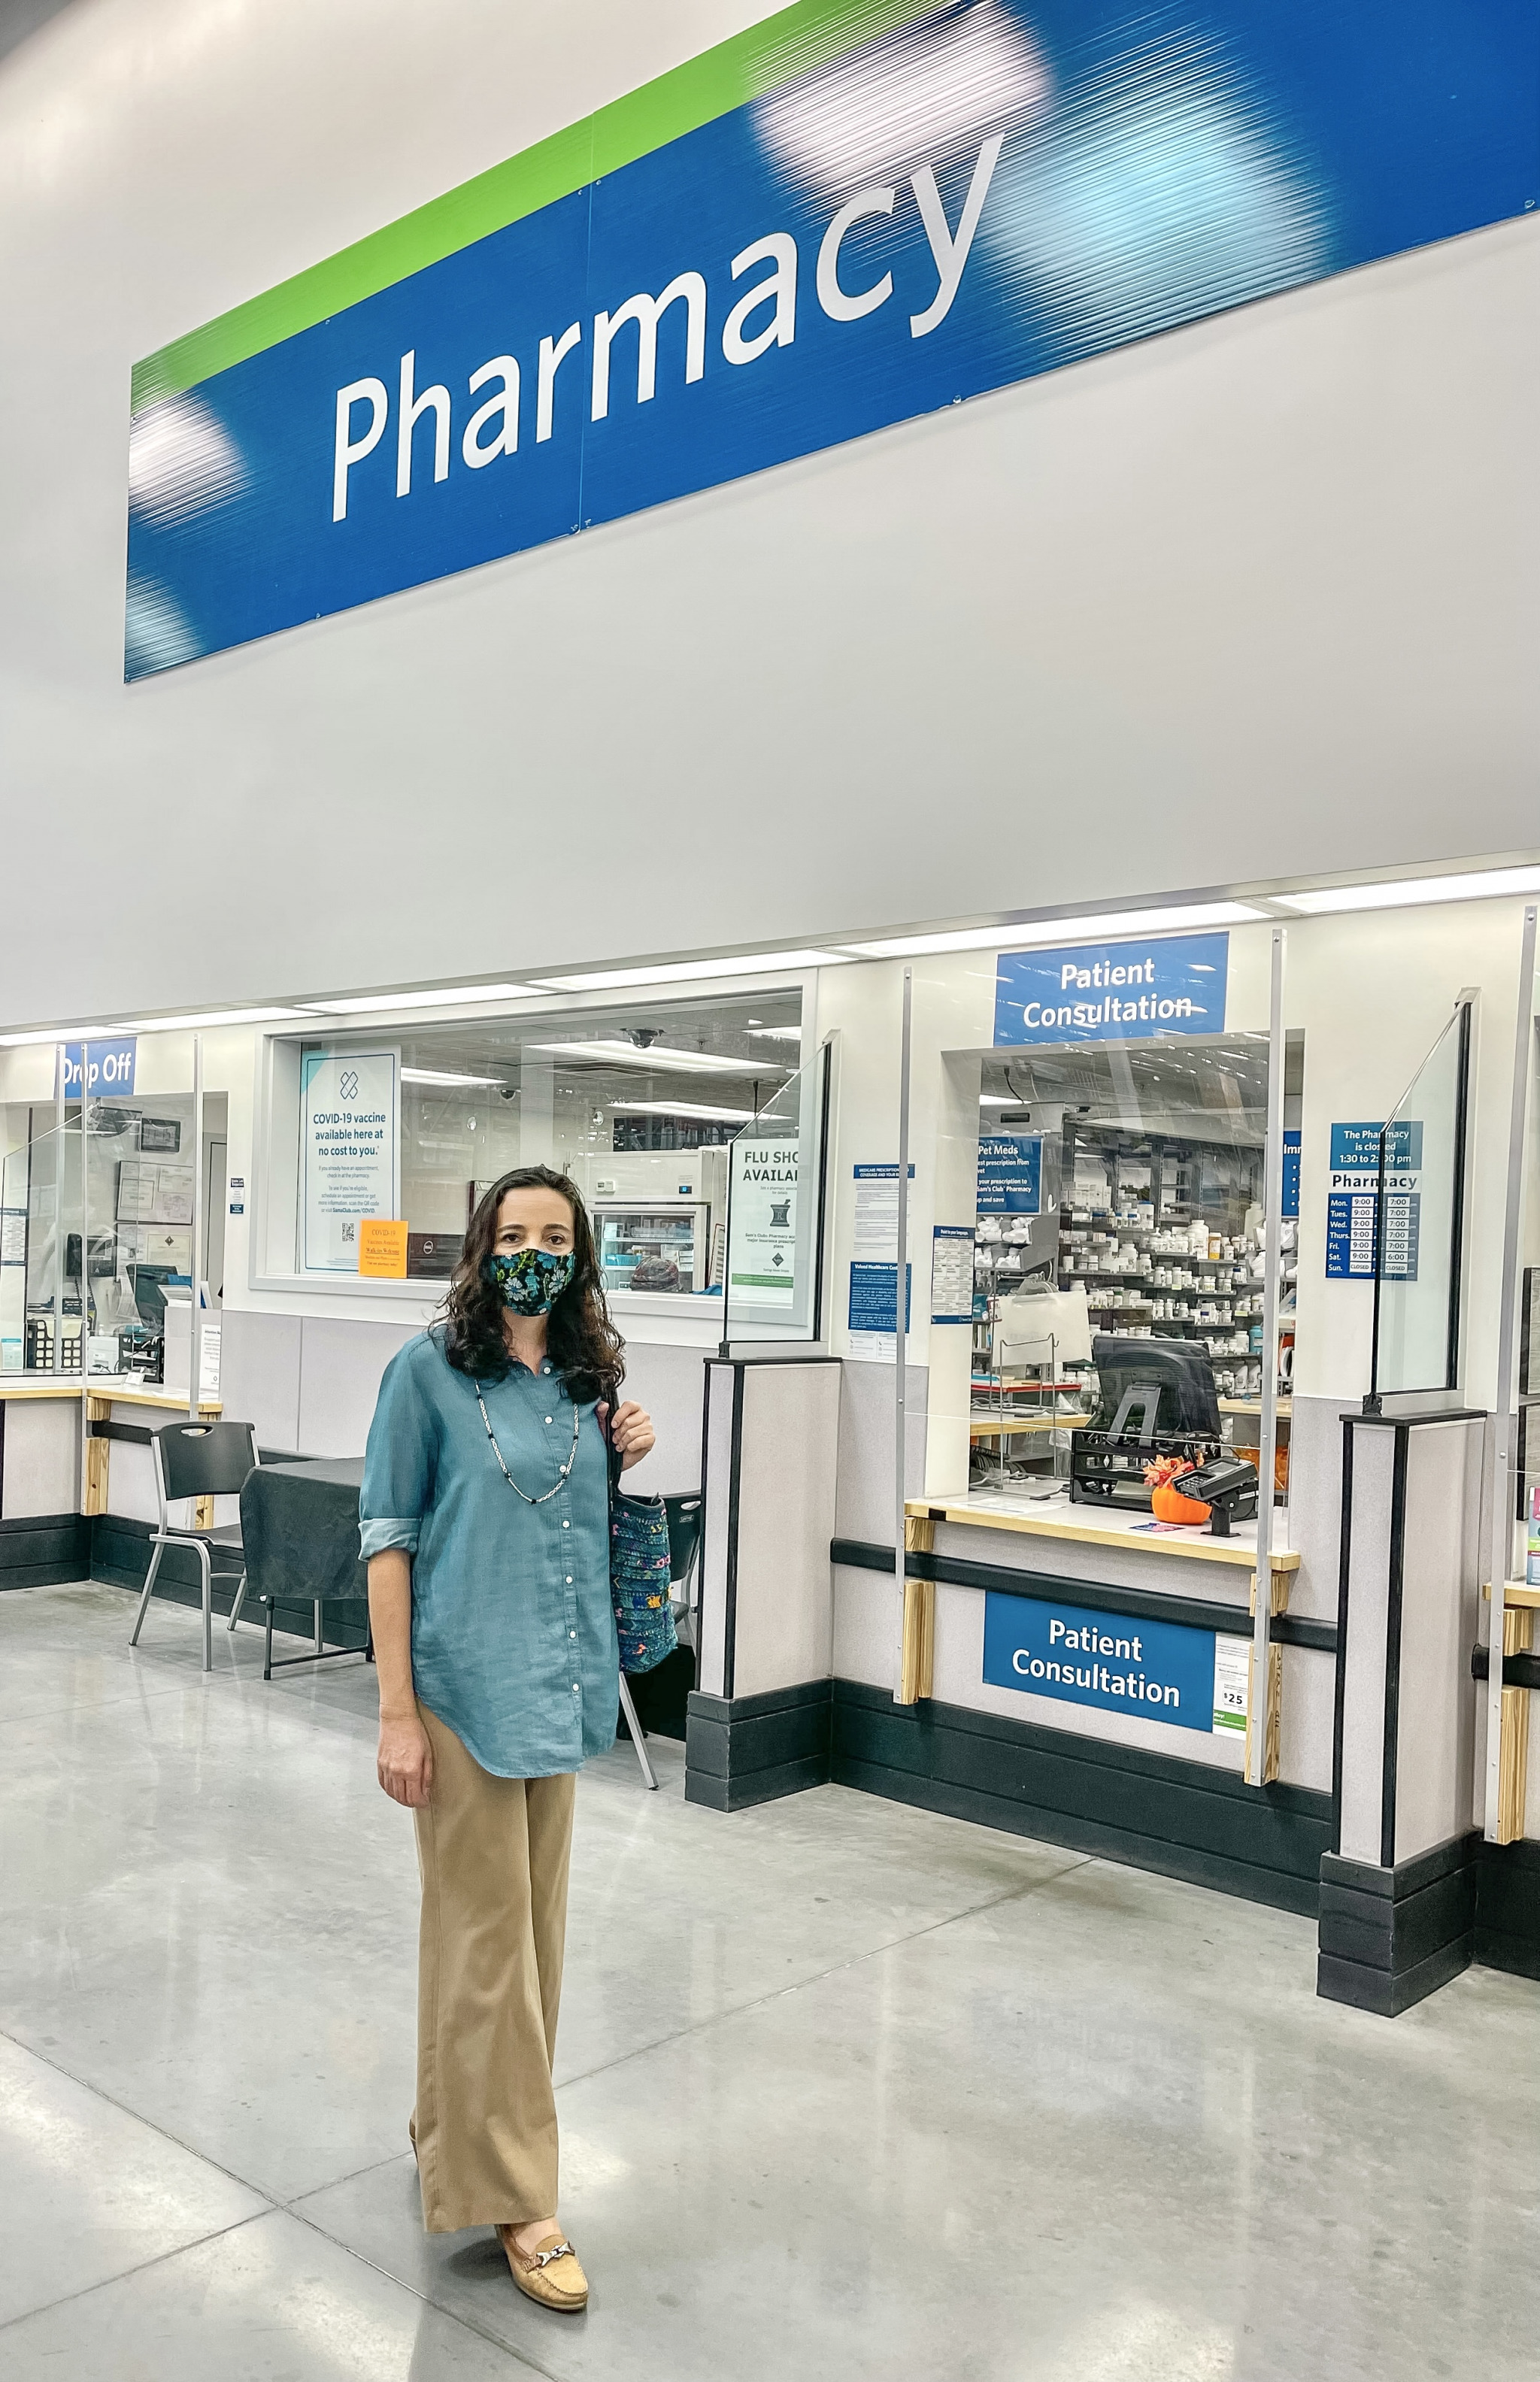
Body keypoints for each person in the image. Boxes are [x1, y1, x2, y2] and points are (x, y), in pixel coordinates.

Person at [360, 1165, 654, 2312]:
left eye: (559, 1238)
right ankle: (521, 2198)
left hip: (559, 1692)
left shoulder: (588, 1380)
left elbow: (570, 1521)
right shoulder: (427, 1373)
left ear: (583, 1257)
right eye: (515, 1234)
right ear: (482, 1249)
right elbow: (388, 1543)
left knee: (529, 1946)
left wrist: (625, 1449)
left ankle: (453, 2123)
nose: (537, 1254)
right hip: (462, 1697)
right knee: (488, 1953)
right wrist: (397, 1713)